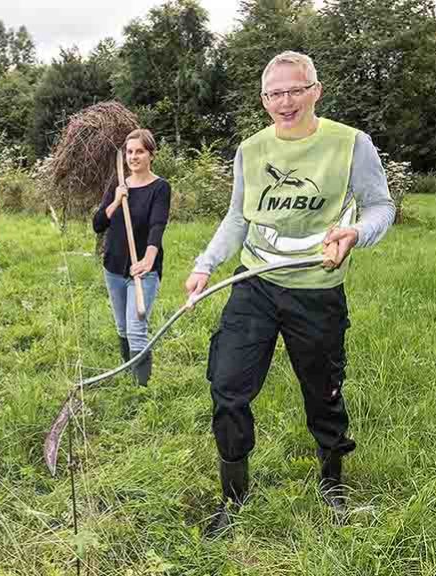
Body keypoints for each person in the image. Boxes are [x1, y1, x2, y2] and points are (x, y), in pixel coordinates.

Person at [184, 51, 395, 535]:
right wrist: (204, 265)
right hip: (254, 283)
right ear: (263, 100)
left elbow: (381, 206)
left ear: (315, 90)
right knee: (228, 386)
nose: (285, 101)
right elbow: (238, 217)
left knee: (323, 390)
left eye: (295, 89)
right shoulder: (251, 150)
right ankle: (234, 497)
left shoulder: (350, 144)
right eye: (275, 93)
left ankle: (332, 483)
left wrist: (356, 234)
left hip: (317, 290)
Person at [93, 129, 171, 386]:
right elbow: (97, 224)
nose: (134, 157)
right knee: (122, 328)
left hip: (143, 270)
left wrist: (149, 259)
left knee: (137, 329)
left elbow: (157, 226)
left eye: (140, 151)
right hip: (113, 267)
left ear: (151, 155)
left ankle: (141, 391)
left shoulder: (160, 188)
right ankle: (128, 377)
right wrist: (116, 201)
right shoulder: (118, 185)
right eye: (129, 152)